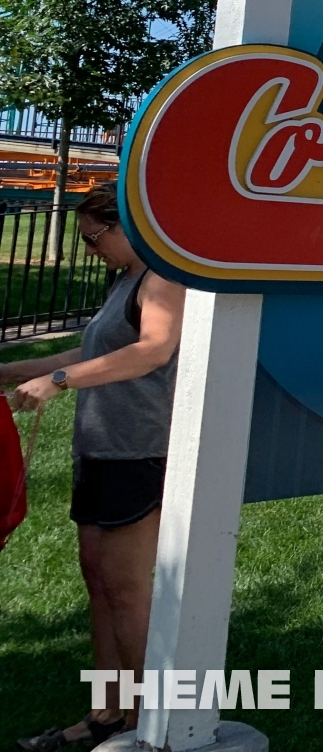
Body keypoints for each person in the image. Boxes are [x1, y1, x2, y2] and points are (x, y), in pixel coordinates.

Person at [5, 185, 184, 750]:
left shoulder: (163, 277)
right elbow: (89, 353)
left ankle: (146, 726)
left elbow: (152, 349)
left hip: (141, 451)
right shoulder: (123, 281)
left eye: (93, 237)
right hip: (101, 450)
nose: (89, 250)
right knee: (101, 585)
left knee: (129, 592)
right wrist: (12, 370)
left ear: (127, 225)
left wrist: (59, 383)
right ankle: (108, 713)